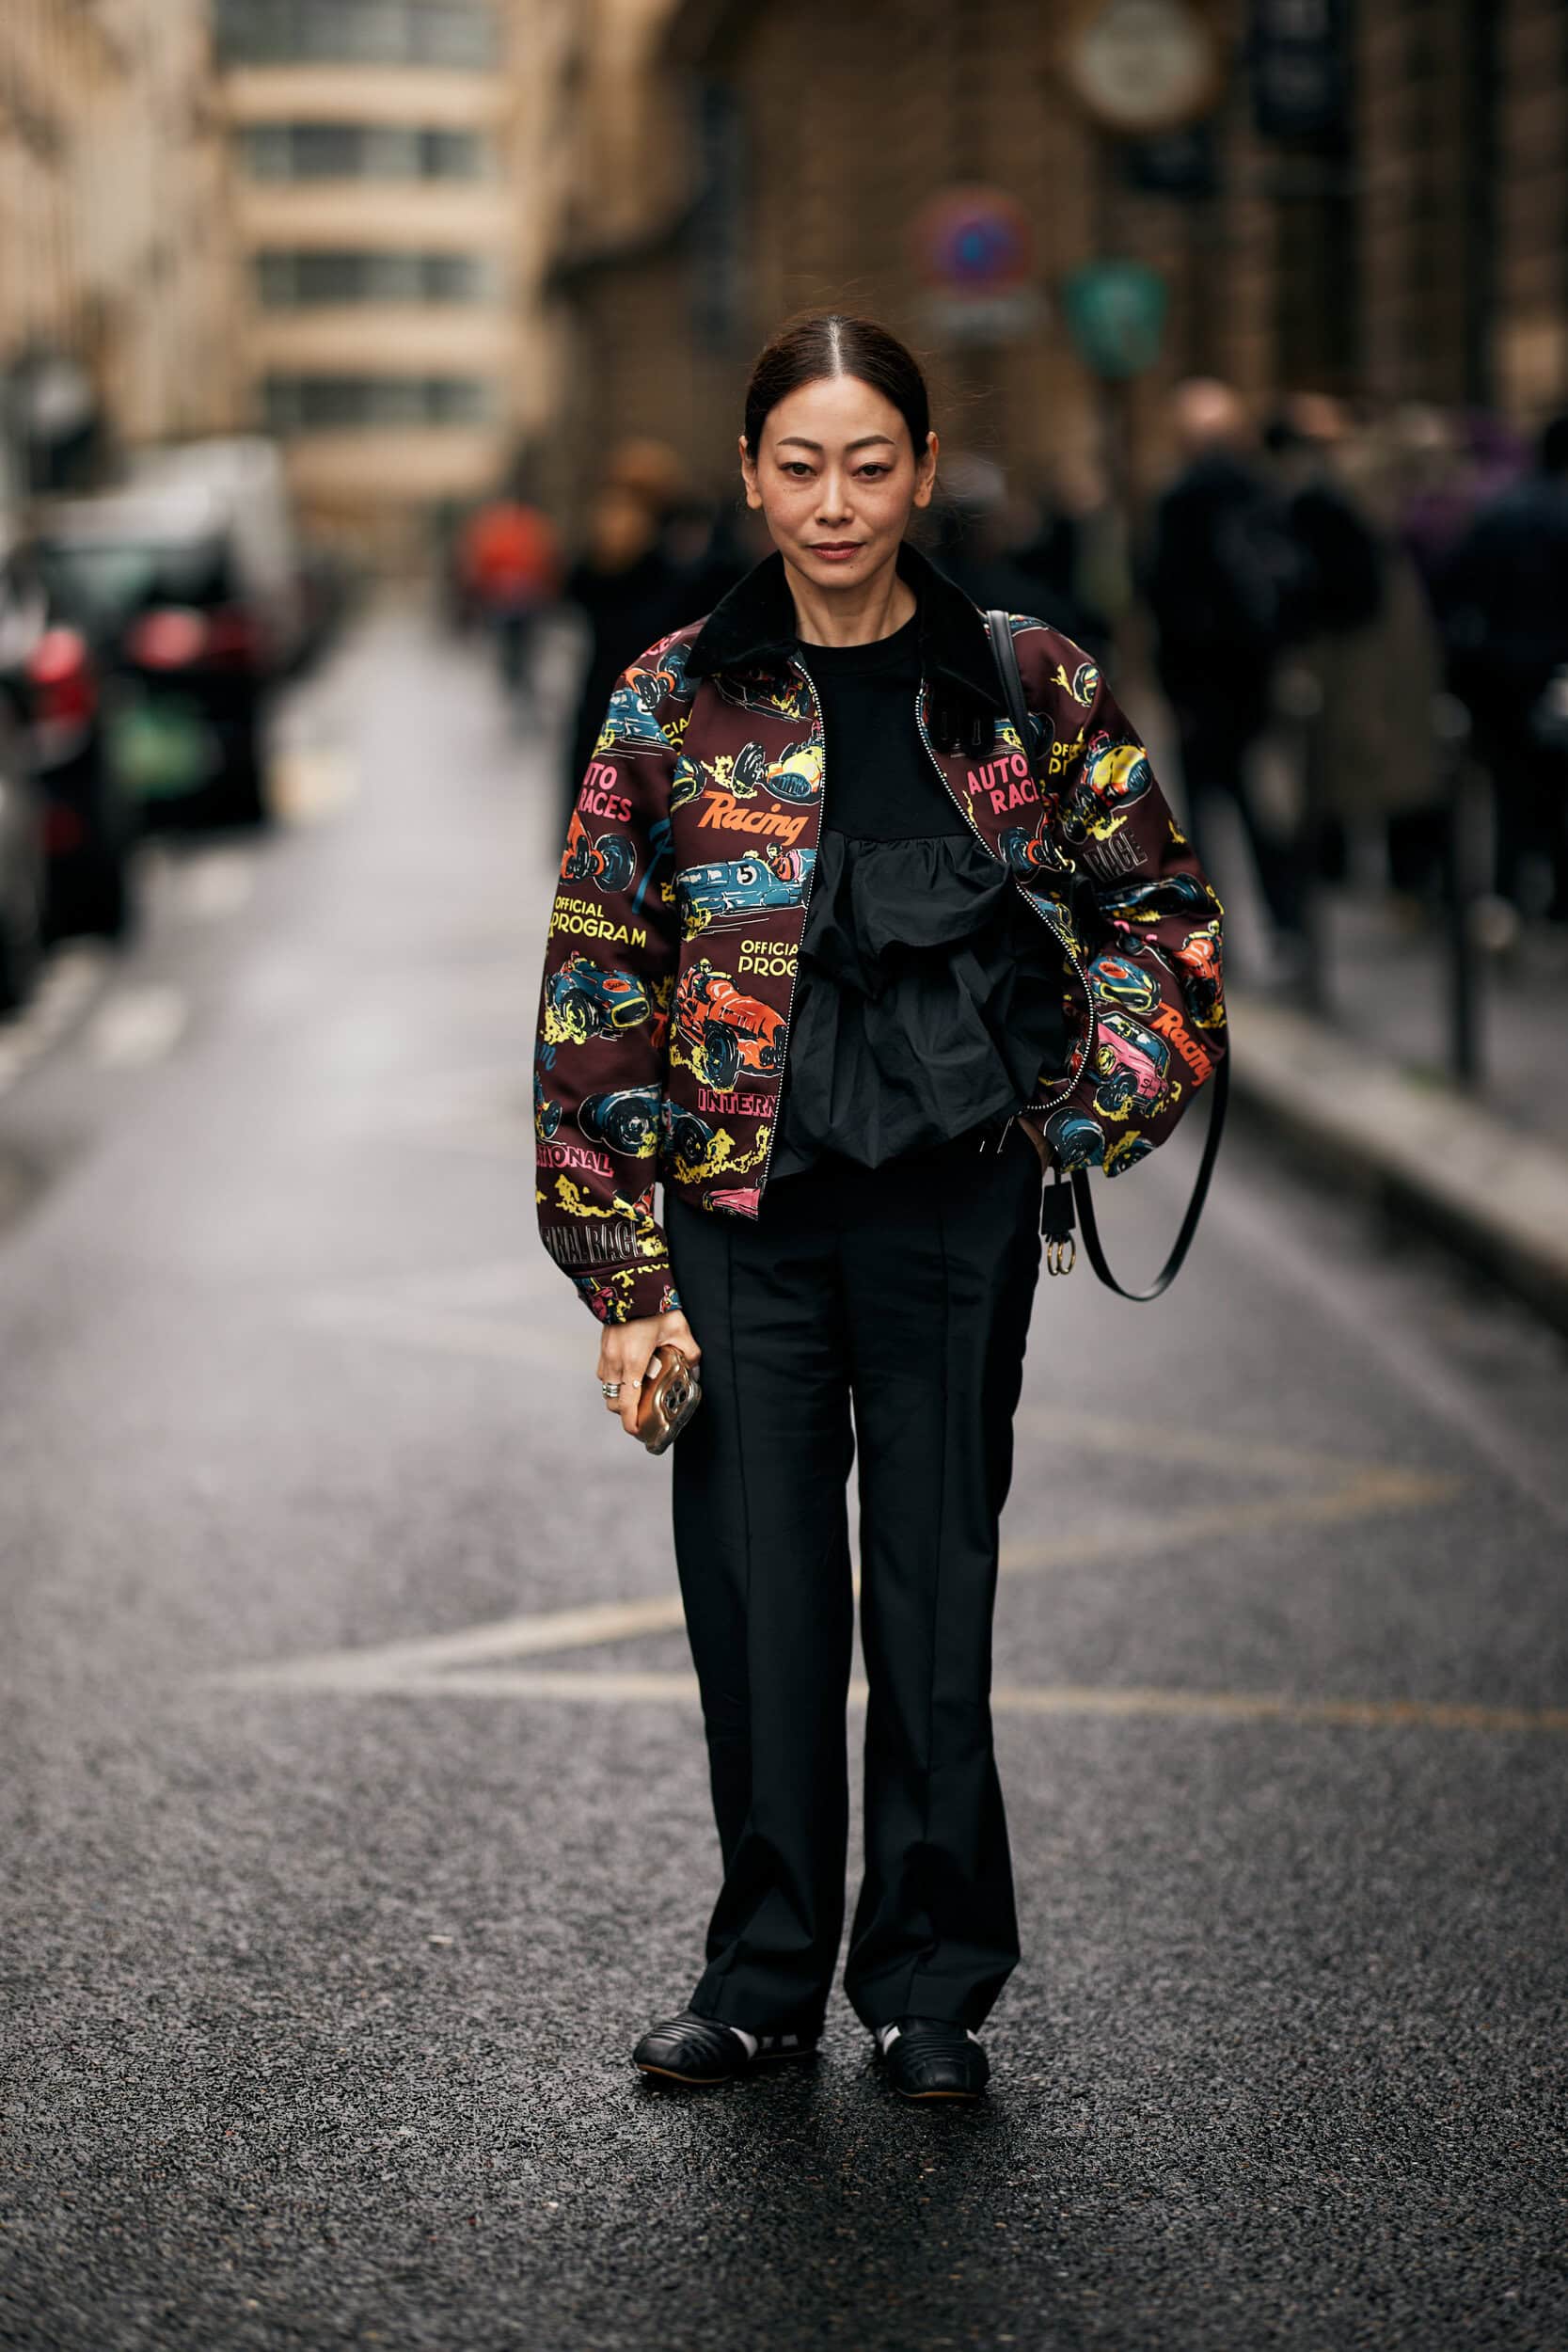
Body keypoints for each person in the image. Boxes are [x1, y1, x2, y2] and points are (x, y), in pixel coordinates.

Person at [532, 314, 1227, 2102]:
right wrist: (619, 1268)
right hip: (738, 1231)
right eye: (796, 465)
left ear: (917, 471)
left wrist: (1083, 1112)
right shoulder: (670, 700)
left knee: (934, 1597)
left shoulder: (1021, 684)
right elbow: (601, 980)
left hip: (949, 1221)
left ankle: (929, 1984)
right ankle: (760, 1974)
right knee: (758, 1604)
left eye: (867, 465)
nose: (832, 502)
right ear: (751, 476)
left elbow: (1166, 921)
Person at [1145, 378, 1307, 960]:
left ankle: (1213, 935)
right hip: (1254, 678)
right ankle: (1288, 920)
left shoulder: (1179, 499)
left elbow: (1161, 593)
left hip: (1198, 685)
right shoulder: (1261, 491)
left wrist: (1171, 681)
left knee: (1202, 815)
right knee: (1262, 805)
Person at [1439, 412, 1568, 932]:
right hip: (1549, 669)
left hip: (1502, 674)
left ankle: (1513, 892)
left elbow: (1459, 591)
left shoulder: (1500, 511)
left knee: (1512, 790)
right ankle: (1554, 897)